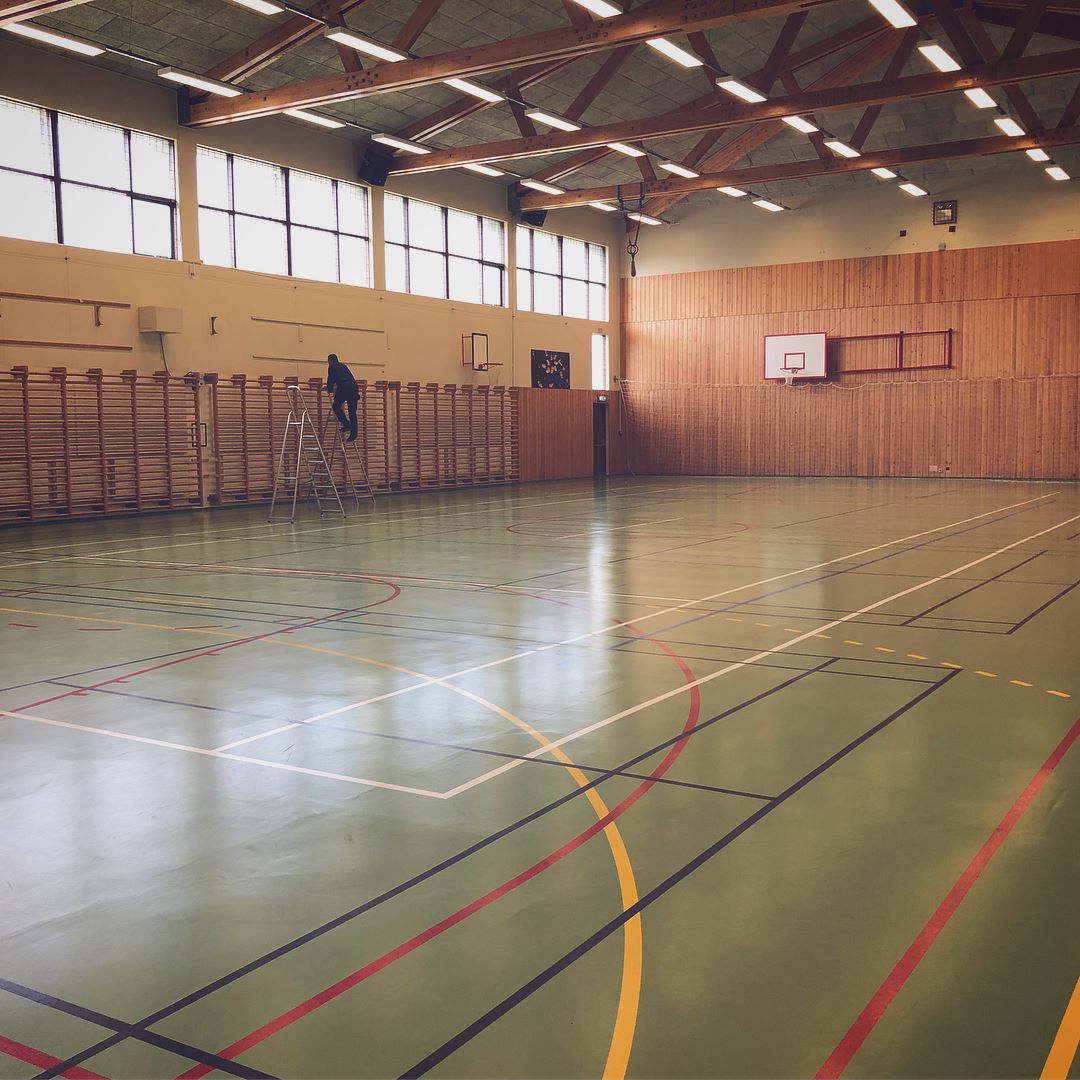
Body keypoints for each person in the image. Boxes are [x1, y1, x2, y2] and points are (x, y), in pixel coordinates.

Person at [326, 353, 359, 443]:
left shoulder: (332, 367)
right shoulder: (344, 366)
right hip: (354, 387)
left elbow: (331, 379)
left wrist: (329, 388)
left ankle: (346, 424)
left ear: (330, 361)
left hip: (345, 387)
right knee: (352, 412)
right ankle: (354, 433)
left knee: (336, 406)